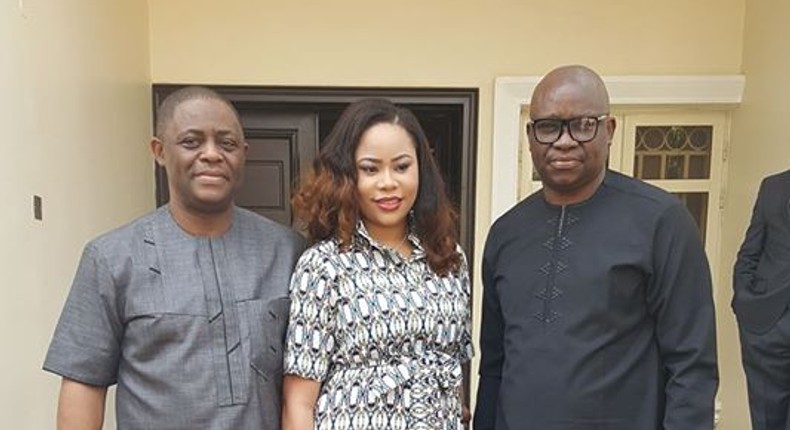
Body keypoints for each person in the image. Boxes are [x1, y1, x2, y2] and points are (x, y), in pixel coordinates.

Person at [43, 86, 304, 430]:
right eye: (192, 142)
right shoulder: (111, 258)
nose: (211, 154)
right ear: (159, 151)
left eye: (226, 144)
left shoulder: (288, 252)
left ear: (244, 153)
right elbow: (83, 382)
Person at [474, 65, 718, 430]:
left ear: (609, 130)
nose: (564, 140)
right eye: (548, 126)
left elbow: (692, 365)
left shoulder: (661, 222)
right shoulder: (506, 234)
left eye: (583, 124)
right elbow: (493, 366)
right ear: (530, 135)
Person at [280, 98, 473, 430]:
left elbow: (454, 373)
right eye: (370, 168)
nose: (388, 182)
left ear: (421, 170)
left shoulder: (450, 258)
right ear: (346, 175)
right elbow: (299, 402)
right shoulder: (324, 267)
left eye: (401, 166)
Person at [733, 168, 790, 430]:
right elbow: (750, 251)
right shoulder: (773, 186)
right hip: (767, 322)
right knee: (766, 418)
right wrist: (745, 301)